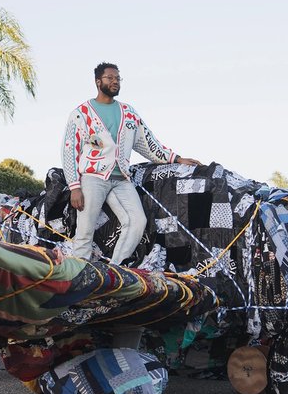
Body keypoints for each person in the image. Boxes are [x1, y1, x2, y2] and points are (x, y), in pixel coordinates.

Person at [61, 62, 199, 265]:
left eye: (118, 78)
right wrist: (74, 187)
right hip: (93, 178)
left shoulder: (129, 113)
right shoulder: (82, 113)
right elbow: (69, 151)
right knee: (85, 228)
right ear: (98, 81)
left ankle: (116, 269)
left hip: (121, 180)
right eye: (110, 78)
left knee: (137, 221)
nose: (115, 81)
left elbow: (148, 143)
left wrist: (176, 158)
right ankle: (78, 274)